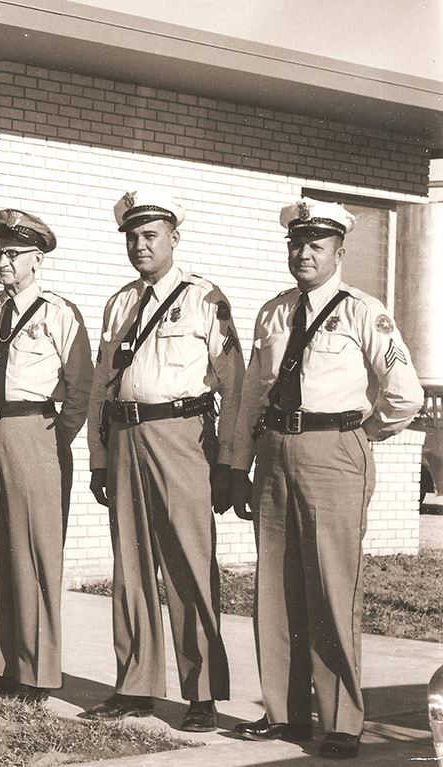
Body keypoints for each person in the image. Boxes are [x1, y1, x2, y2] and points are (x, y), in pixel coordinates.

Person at [230, 199, 424, 760]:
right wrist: (239, 463)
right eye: (297, 244)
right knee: (276, 587)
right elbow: (250, 396)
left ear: (340, 251)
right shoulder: (273, 312)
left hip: (334, 451)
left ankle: (341, 721)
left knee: (332, 587)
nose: (304, 254)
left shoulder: (363, 310)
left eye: (317, 245)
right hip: (275, 452)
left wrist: (359, 435)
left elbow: (405, 393)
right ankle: (283, 713)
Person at [82, 189, 243, 732]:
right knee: (130, 568)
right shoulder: (120, 302)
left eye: (150, 235)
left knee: (188, 565)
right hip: (126, 436)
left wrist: (230, 461)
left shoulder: (205, 299)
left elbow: (235, 387)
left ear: (174, 237)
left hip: (182, 435)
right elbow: (102, 388)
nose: (139, 245)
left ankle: (201, 695)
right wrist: (98, 456)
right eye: (131, 236)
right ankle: (135, 686)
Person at [0, 209, 93, 701]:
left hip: (33, 430)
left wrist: (57, 436)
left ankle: (35, 672)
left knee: (32, 553)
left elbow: (82, 386)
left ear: (37, 260)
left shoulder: (60, 313)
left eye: (14, 254)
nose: (3, 261)